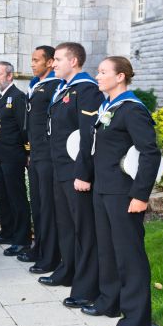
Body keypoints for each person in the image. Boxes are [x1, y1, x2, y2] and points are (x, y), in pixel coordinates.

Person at [87, 56, 160, 326]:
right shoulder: (109, 107)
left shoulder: (132, 110)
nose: (98, 76)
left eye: (103, 72)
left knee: (130, 256)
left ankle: (136, 321)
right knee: (107, 250)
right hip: (103, 189)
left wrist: (140, 195)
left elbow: (150, 154)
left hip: (123, 194)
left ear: (120, 77)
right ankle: (110, 301)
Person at [40, 42, 104, 311]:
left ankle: (87, 286)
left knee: (84, 230)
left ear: (74, 61)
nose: (53, 64)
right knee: (65, 225)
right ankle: (68, 270)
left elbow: (88, 135)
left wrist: (83, 173)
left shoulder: (86, 89)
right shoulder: (63, 89)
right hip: (60, 169)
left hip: (75, 173)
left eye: (57, 59)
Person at [19, 46, 62, 275]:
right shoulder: (36, 84)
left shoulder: (55, 85)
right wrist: (28, 151)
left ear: (50, 62)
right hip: (35, 154)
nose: (32, 63)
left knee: (48, 207)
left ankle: (50, 256)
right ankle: (39, 247)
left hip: (47, 155)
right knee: (36, 204)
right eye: (32, 59)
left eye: (36, 60)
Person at [0, 61, 32, 256]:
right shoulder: (3, 97)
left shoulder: (18, 97)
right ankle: (7, 231)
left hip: (14, 156)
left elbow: (24, 128)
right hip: (1, 155)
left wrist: (28, 152)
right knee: (4, 197)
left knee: (17, 198)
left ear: (10, 76)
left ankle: (22, 239)